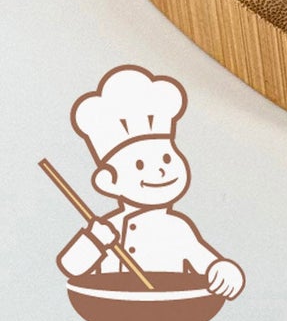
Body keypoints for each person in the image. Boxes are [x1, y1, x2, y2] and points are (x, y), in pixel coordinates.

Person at [55, 66, 244, 299]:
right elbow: (71, 267)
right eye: (140, 165)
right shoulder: (107, 228)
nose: (161, 170)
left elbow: (205, 261)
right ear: (109, 181)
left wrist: (224, 270)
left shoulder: (177, 228)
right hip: (109, 308)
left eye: (166, 157)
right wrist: (94, 241)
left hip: (171, 309)